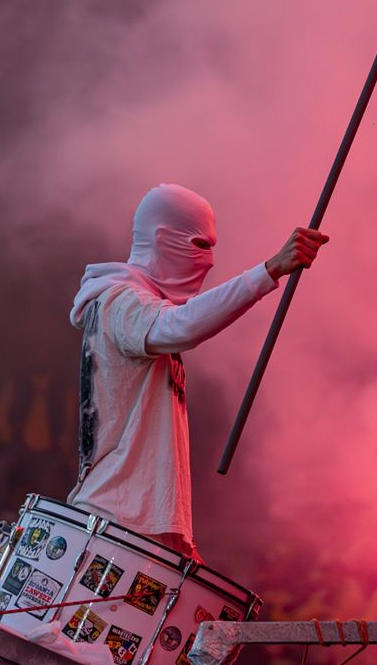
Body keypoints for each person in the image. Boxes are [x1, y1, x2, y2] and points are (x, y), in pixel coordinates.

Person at [67, 184, 326, 561]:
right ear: (160, 238)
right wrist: (268, 271)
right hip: (117, 524)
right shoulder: (116, 302)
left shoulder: (138, 306)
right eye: (201, 244)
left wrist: (178, 540)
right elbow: (178, 327)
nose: (209, 260)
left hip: (138, 525)